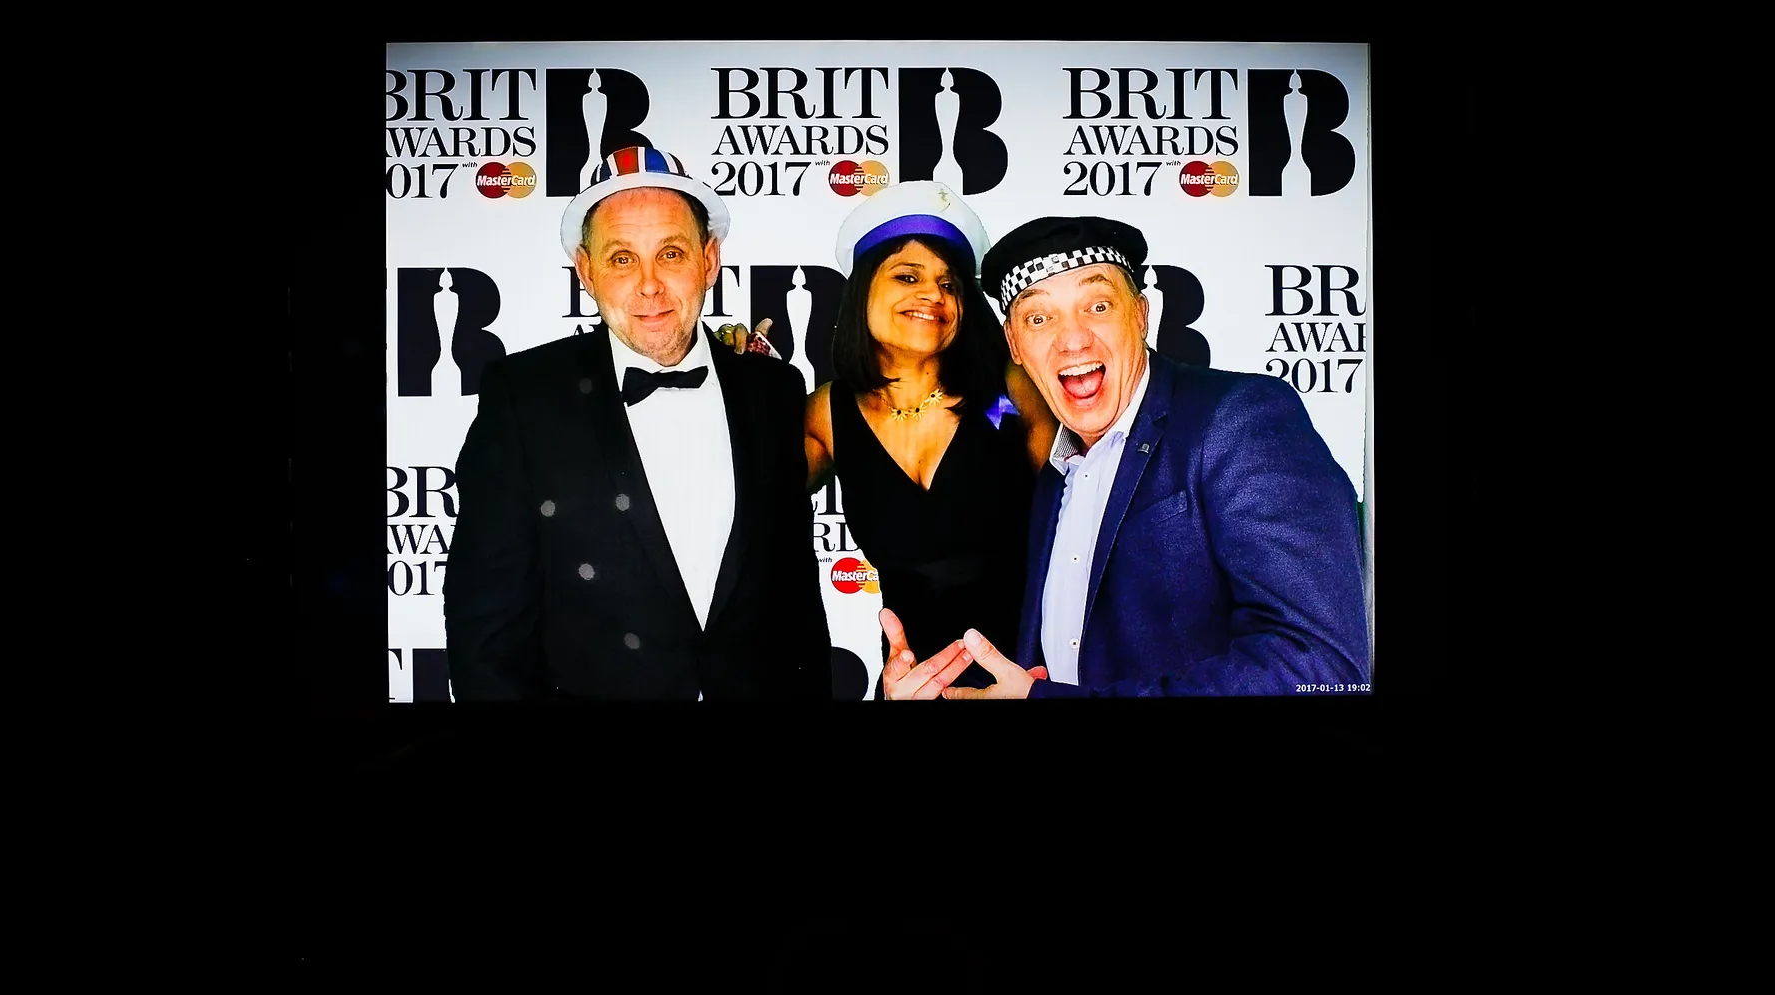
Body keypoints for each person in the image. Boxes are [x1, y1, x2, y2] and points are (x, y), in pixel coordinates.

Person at [886, 214, 1371, 698]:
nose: (1072, 339)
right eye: (1039, 317)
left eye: (1097, 306)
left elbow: (1321, 668)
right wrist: (934, 689)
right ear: (1014, 343)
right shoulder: (1053, 473)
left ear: (1140, 315)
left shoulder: (1239, 418)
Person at [442, 145, 831, 701]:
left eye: (670, 254)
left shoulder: (772, 390)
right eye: (622, 258)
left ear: (709, 261)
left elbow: (797, 606)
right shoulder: (523, 397)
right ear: (587, 272)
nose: (648, 284)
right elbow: (486, 628)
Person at [719, 181, 1059, 697]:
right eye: (908, 276)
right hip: (909, 689)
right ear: (863, 292)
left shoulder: (1000, 397)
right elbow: (745, 498)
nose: (934, 296)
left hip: (1033, 682)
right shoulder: (831, 415)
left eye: (950, 285)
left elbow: (1080, 523)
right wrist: (736, 385)